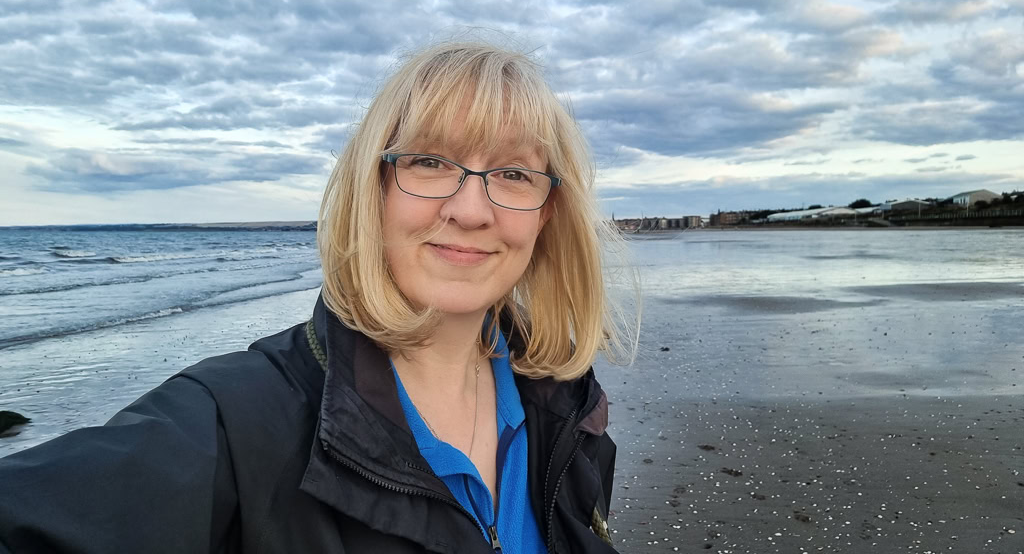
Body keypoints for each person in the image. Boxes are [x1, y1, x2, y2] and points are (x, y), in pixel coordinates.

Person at [0, 40, 634, 553]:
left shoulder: (568, 407)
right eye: (429, 162)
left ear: (548, 211)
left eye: (514, 173)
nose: (470, 210)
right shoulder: (236, 423)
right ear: (374, 189)